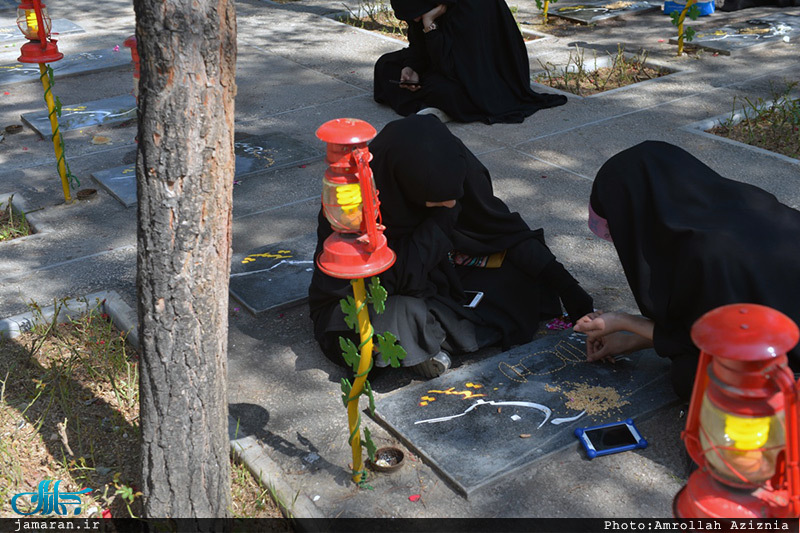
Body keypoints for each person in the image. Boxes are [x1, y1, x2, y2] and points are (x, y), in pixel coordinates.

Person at [309, 115, 593, 377]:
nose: (447, 206)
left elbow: (501, 230)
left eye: (450, 200)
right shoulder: (353, 204)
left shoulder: (455, 170)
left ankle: (429, 345)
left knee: (519, 274)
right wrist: (442, 221)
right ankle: (425, 344)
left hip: (442, 269)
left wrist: (569, 290)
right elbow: (389, 282)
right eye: (433, 203)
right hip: (381, 291)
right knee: (395, 318)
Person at [573, 141, 800, 400]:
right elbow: (721, 309)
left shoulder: (705, 250)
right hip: (780, 327)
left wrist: (626, 322)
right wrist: (632, 340)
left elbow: (717, 342)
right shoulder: (743, 202)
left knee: (691, 376)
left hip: (787, 366)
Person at [372, 0, 568, 124]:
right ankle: (436, 106)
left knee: (445, 90)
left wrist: (429, 26)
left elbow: (451, 68)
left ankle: (446, 108)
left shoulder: (470, 8)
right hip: (449, 60)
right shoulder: (426, 5)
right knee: (385, 65)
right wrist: (411, 66)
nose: (414, 19)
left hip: (481, 76)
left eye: (416, 14)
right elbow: (418, 44)